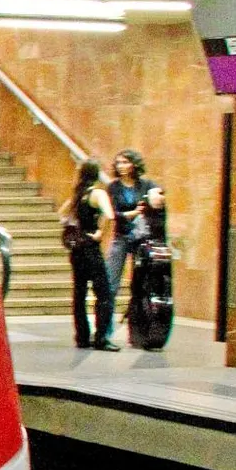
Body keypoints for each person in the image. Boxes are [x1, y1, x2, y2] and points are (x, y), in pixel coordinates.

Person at [60, 158, 118, 351]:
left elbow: (62, 215)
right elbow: (110, 215)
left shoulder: (77, 195)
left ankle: (82, 337)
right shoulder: (97, 193)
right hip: (91, 248)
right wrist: (101, 232)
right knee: (104, 293)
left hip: (76, 250)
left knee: (79, 293)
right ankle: (101, 336)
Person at [106, 149, 159, 295]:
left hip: (141, 237)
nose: (121, 166)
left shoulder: (146, 185)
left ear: (134, 164)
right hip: (121, 235)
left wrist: (154, 200)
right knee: (111, 277)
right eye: (118, 163)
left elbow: (159, 197)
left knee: (141, 280)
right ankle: (106, 316)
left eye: (125, 162)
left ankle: (137, 315)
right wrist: (134, 213)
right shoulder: (113, 187)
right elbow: (113, 213)